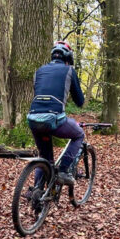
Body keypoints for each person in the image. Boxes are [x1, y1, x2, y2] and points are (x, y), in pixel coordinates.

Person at [27, 40, 85, 186]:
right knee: (79, 134)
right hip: (54, 119)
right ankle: (64, 171)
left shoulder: (39, 71)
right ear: (68, 59)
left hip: (33, 119)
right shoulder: (69, 70)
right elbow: (79, 101)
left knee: (45, 158)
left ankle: (37, 193)